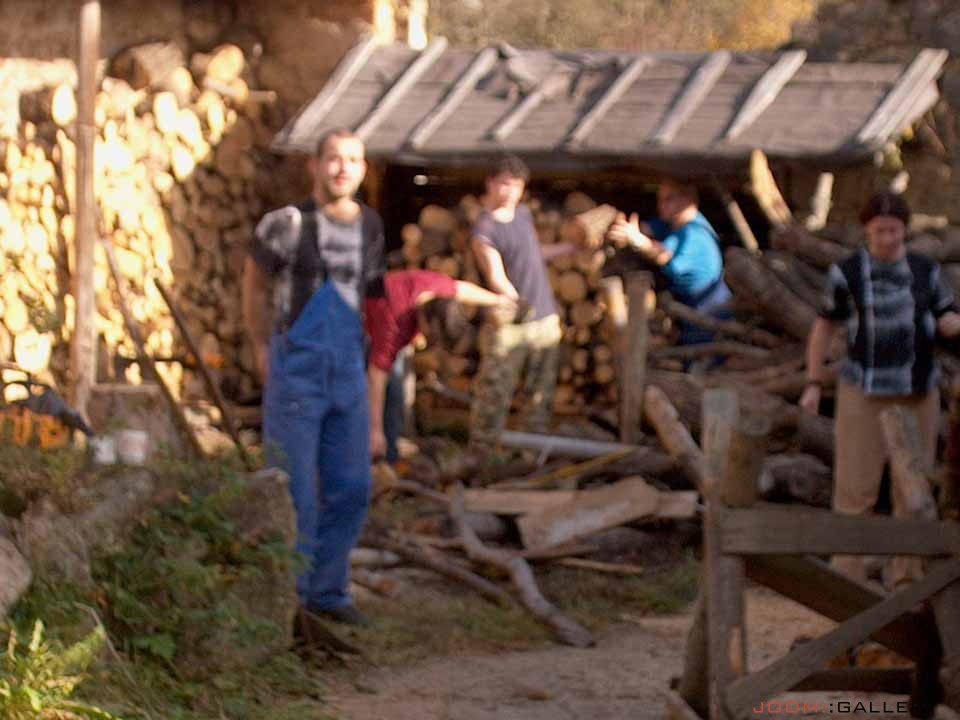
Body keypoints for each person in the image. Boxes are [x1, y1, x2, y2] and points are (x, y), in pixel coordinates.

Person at [242, 128, 385, 626]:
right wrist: (261, 346)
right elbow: (254, 284)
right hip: (297, 369)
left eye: (353, 160)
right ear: (314, 165)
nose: (343, 168)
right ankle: (289, 597)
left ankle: (328, 591)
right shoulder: (285, 224)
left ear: (363, 169)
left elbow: (373, 299)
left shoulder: (370, 225)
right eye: (334, 159)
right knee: (294, 490)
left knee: (352, 486)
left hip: (348, 369)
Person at [800, 191, 960, 588]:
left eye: (894, 231)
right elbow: (824, 326)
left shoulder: (925, 271)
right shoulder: (848, 272)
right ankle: (846, 581)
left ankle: (908, 580)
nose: (887, 238)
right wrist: (813, 382)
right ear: (867, 232)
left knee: (913, 491)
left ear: (905, 230)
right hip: (864, 391)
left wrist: (951, 323)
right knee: (855, 489)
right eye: (879, 231)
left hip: (917, 391)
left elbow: (946, 312)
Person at [365, 270, 517, 461]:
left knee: (400, 392)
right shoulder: (394, 323)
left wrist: (498, 300)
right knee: (391, 391)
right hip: (363, 325)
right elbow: (376, 375)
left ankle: (393, 446)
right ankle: (379, 452)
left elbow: (463, 289)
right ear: (427, 323)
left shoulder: (437, 289)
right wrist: (375, 431)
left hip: (394, 322)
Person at [469, 154, 563, 452]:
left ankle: (529, 456)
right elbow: (495, 276)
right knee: (494, 393)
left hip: (545, 319)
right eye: (504, 184)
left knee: (540, 395)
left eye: (517, 185)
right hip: (510, 325)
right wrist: (515, 300)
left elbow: (534, 253)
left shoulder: (523, 215)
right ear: (490, 183)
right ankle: (481, 455)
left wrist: (570, 248)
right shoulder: (485, 230)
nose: (510, 192)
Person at [605, 179, 731, 345]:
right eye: (660, 199)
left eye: (668, 199)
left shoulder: (694, 235)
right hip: (690, 312)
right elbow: (648, 228)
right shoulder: (674, 224)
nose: (661, 205)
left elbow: (663, 255)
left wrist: (637, 240)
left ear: (686, 200)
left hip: (708, 317)